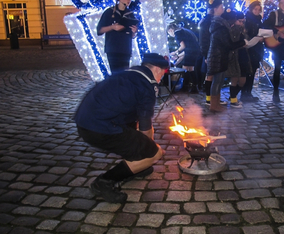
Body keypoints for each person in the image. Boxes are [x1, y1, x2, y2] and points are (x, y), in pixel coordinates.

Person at [74, 53, 168, 203]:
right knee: (155, 153)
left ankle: (137, 166)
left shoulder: (129, 73)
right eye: (164, 72)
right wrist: (148, 151)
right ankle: (103, 182)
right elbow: (145, 125)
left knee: (134, 130)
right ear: (157, 69)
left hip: (85, 121)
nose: (162, 77)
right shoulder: (147, 85)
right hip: (99, 129)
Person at [207, 9, 246, 112]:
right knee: (217, 82)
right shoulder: (222, 29)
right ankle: (214, 106)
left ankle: (216, 104)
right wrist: (242, 42)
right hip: (218, 58)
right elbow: (228, 45)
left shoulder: (220, 27)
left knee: (218, 82)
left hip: (219, 57)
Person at [97, 0, 138, 74]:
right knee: (115, 74)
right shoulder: (109, 12)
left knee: (124, 75)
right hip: (113, 49)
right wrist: (112, 27)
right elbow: (99, 30)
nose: (129, 1)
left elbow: (131, 35)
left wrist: (134, 32)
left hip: (125, 49)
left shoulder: (130, 14)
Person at [199, 0, 228, 106]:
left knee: (216, 77)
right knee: (210, 76)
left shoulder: (218, 21)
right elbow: (204, 40)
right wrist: (206, 55)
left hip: (217, 53)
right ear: (215, 9)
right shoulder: (207, 22)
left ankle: (214, 98)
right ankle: (209, 98)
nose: (223, 9)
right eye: (221, 7)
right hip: (210, 53)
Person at [241, 1, 265, 103]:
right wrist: (254, 38)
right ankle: (244, 93)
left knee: (253, 71)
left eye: (259, 10)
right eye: (255, 9)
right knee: (247, 71)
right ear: (251, 9)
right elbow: (246, 33)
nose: (257, 11)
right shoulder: (247, 19)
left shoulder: (259, 20)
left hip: (257, 48)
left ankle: (248, 92)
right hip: (249, 48)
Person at [167, 23, 201, 93]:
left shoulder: (177, 34)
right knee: (191, 69)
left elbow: (183, 46)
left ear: (170, 30)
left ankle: (185, 87)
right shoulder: (183, 31)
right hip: (195, 51)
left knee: (185, 69)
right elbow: (186, 49)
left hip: (191, 52)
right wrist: (177, 59)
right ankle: (194, 87)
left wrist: (175, 52)